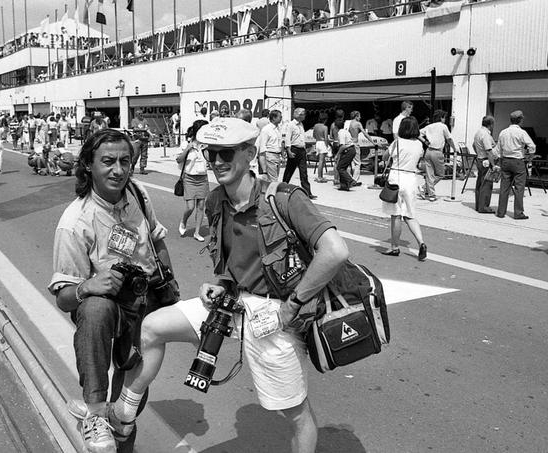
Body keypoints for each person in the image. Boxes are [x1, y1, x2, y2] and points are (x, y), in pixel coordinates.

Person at [111, 117, 349, 453]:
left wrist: (292, 308)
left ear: (250, 152)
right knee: (152, 327)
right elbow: (232, 264)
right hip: (233, 304)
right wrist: (221, 283)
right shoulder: (214, 201)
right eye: (212, 154)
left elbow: (336, 251)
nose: (218, 163)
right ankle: (124, 408)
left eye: (227, 154)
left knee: (295, 412)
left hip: (276, 315)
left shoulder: (283, 198)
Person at [48, 129, 172, 453]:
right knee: (94, 308)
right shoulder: (75, 222)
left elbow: (157, 240)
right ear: (89, 164)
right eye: (108, 162)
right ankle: (93, 411)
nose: (118, 170)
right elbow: (63, 298)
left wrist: (169, 284)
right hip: (106, 312)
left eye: (125, 161)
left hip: (143, 302)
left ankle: (114, 424)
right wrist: (89, 285)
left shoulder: (137, 193)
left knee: (127, 413)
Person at [380, 116, 427, 261]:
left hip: (396, 178)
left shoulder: (397, 142)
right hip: (411, 179)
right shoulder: (419, 145)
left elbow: (384, 157)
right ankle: (421, 243)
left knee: (396, 215)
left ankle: (394, 247)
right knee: (410, 215)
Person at [496, 110, 536, 220]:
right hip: (518, 161)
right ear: (520, 120)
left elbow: (498, 149)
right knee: (519, 188)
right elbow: (532, 146)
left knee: (504, 187)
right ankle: (518, 213)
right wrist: (529, 158)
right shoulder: (522, 132)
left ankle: (501, 212)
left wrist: (500, 160)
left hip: (505, 160)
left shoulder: (503, 132)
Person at [176, 120, 210, 242]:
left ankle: (197, 232)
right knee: (190, 207)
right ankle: (183, 221)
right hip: (189, 178)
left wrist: (207, 149)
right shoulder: (187, 143)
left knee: (201, 206)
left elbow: (210, 160)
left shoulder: (207, 144)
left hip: (202, 178)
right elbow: (178, 160)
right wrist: (188, 149)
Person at [419, 109, 457, 201]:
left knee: (429, 173)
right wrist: (455, 148)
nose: (445, 119)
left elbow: (417, 133)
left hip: (428, 151)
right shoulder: (443, 126)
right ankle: (424, 188)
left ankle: (430, 193)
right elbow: (449, 139)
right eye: (444, 117)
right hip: (437, 151)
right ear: (441, 117)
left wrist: (425, 141)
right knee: (440, 174)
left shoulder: (429, 126)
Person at [283, 108, 316, 199]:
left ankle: (307, 192)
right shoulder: (291, 125)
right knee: (289, 171)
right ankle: (283, 187)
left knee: (304, 172)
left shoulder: (301, 125)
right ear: (299, 115)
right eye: (303, 114)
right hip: (294, 149)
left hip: (301, 150)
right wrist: (288, 150)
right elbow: (287, 138)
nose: (304, 116)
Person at [472, 115, 498, 214]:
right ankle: (484, 207)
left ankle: (479, 205)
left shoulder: (478, 132)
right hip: (486, 160)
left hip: (480, 159)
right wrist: (493, 164)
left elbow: (473, 145)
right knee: (486, 184)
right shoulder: (486, 134)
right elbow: (489, 151)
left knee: (480, 183)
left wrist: (478, 153)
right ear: (490, 124)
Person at [348, 111, 374, 185]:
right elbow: (365, 134)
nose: (360, 117)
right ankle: (354, 180)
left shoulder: (347, 123)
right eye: (359, 116)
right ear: (356, 116)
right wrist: (373, 142)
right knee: (357, 163)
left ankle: (348, 179)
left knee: (349, 162)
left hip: (348, 144)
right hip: (355, 144)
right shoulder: (358, 123)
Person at [257, 109, 284, 182]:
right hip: (270, 156)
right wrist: (264, 170)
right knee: (273, 180)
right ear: (274, 118)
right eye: (280, 117)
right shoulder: (266, 129)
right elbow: (262, 148)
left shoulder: (278, 129)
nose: (281, 119)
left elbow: (280, 143)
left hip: (277, 156)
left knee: (273, 179)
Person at [335, 114, 357, 191]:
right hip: (351, 149)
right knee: (343, 167)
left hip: (348, 150)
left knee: (340, 168)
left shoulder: (340, 132)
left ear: (336, 126)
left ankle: (351, 181)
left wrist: (337, 155)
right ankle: (344, 186)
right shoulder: (345, 131)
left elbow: (343, 146)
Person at [130, 110, 151, 175]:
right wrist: (143, 129)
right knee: (135, 154)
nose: (141, 114)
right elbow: (134, 129)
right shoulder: (134, 120)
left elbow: (148, 128)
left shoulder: (145, 120)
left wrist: (150, 135)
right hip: (137, 140)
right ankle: (132, 167)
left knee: (144, 155)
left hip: (145, 139)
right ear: (136, 114)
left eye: (142, 113)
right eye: (139, 113)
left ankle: (142, 168)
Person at [312, 112, 330, 183]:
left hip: (317, 142)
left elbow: (313, 135)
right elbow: (326, 138)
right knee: (321, 161)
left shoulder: (315, 126)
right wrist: (327, 145)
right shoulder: (325, 127)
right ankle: (320, 177)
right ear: (325, 119)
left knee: (321, 161)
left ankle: (320, 176)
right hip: (322, 143)